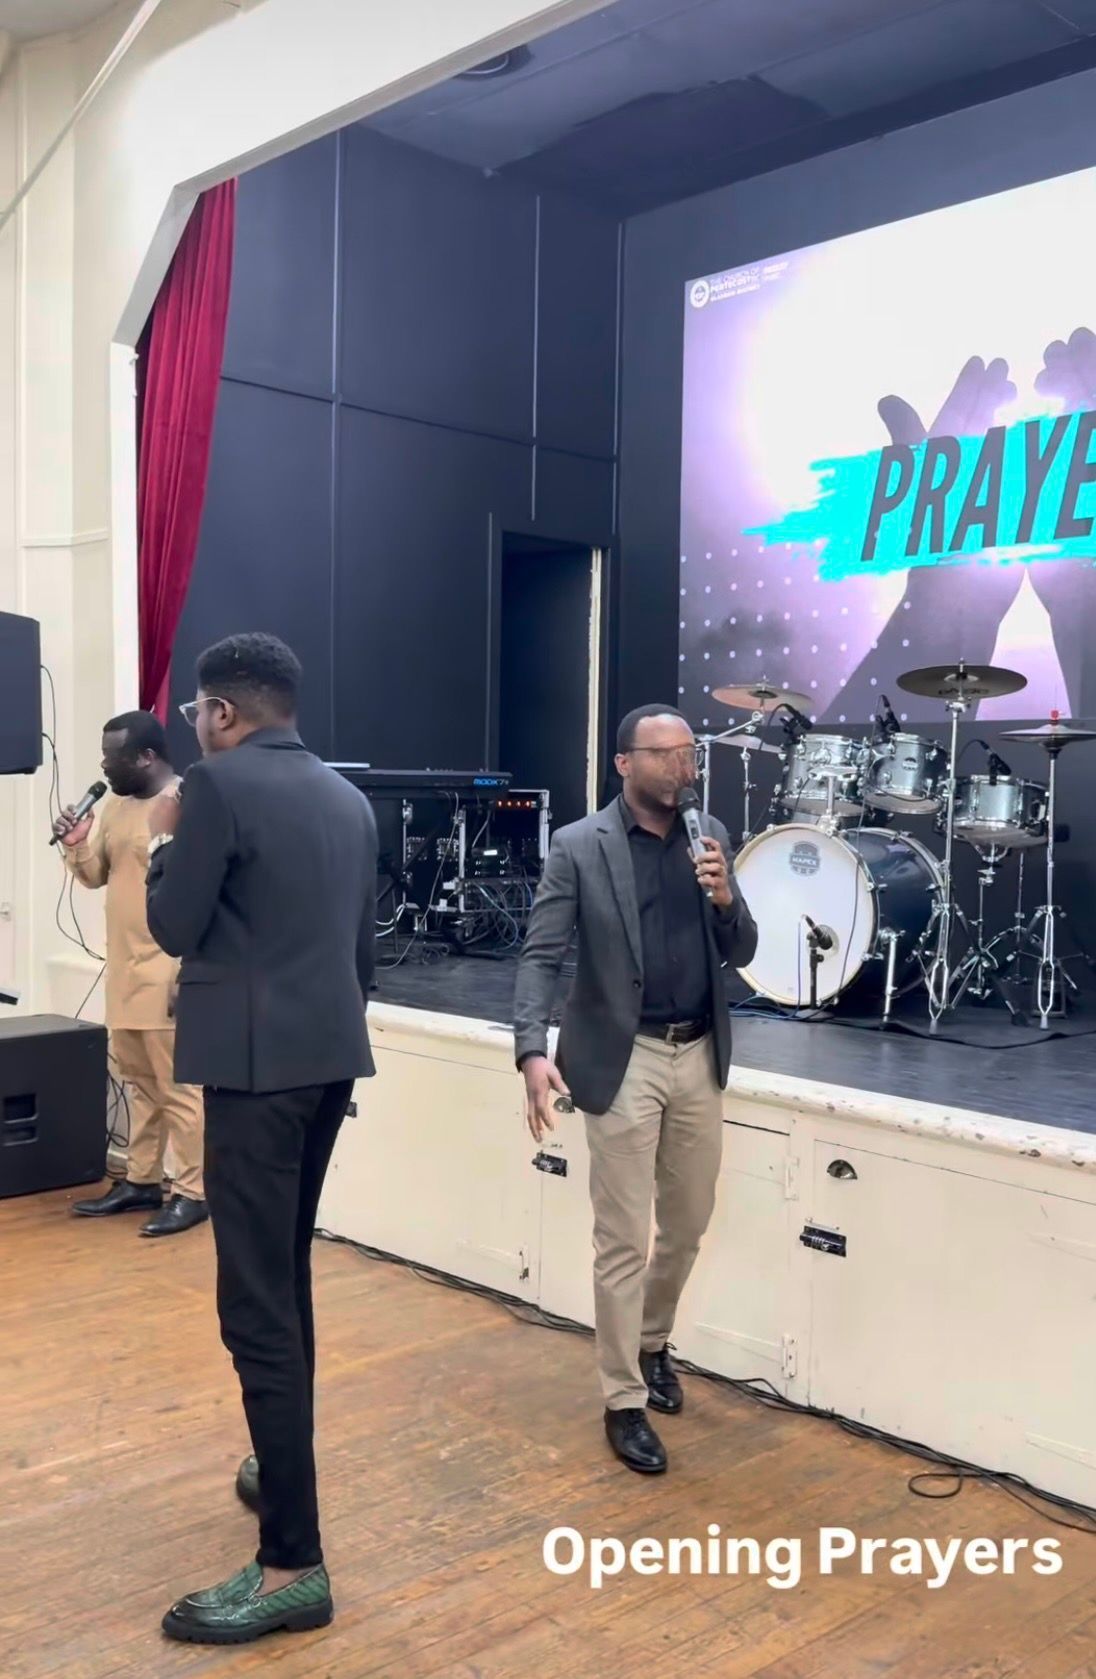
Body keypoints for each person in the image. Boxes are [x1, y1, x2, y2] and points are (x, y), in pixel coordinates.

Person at [143, 633, 377, 1646]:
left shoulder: (213, 786)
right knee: (286, 1280)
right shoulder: (349, 798)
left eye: (199, 709)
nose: (195, 725)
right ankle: (279, 1461)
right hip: (325, 1063)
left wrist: (162, 837)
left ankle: (292, 1562)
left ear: (225, 711)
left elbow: (173, 924)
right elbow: (361, 955)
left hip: (251, 1070)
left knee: (254, 1306)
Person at [514, 705, 757, 1475]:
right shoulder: (579, 845)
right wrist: (531, 1049)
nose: (685, 766)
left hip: (699, 1052)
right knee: (622, 1239)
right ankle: (623, 1399)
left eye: (690, 752)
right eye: (668, 753)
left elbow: (744, 948)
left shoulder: (708, 834)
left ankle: (652, 1342)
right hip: (625, 1058)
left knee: (687, 1224)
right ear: (625, 763)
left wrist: (726, 898)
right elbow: (541, 954)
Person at [54, 711, 207, 1237]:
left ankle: (192, 1192)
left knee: (178, 1088)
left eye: (112, 757)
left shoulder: (184, 803)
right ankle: (142, 1180)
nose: (103, 766)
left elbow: (202, 893)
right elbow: (95, 875)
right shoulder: (117, 806)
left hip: (167, 968)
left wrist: (189, 972)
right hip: (123, 968)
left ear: (146, 756)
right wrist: (77, 842)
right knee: (139, 1083)